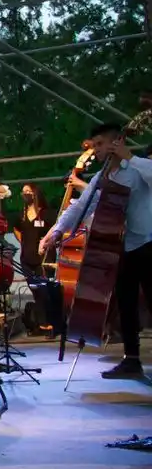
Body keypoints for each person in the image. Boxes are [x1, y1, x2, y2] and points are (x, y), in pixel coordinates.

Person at [39, 122, 152, 379]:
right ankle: (131, 360)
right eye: (94, 145)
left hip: (146, 244)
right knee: (126, 305)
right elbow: (80, 207)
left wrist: (130, 157)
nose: (96, 150)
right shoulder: (101, 177)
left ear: (115, 142)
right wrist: (56, 231)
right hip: (120, 247)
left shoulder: (136, 168)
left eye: (100, 144)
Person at [12, 183, 57, 277]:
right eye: (23, 192)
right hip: (26, 259)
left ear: (35, 193)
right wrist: (22, 240)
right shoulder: (21, 215)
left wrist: (49, 242)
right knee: (33, 287)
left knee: (44, 287)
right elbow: (16, 228)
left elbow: (56, 229)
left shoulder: (47, 213)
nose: (25, 194)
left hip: (44, 258)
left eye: (28, 191)